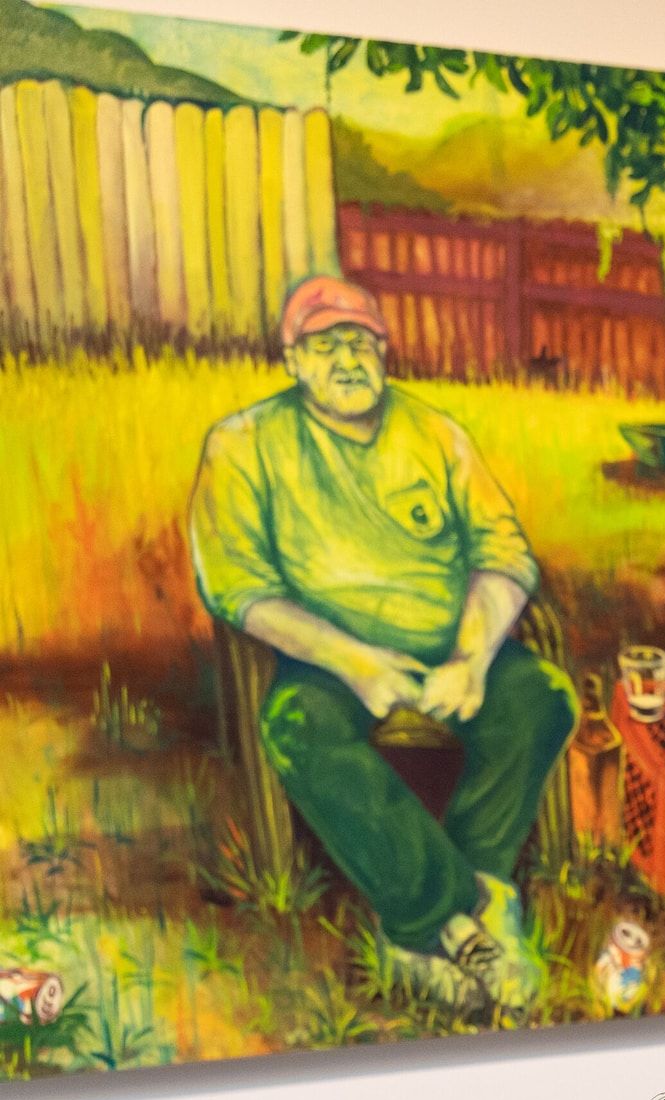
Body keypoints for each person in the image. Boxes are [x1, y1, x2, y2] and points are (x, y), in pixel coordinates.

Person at [189, 275, 573, 1016]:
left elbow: (504, 554)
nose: (347, 358)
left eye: (360, 341)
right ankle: (452, 912)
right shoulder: (241, 445)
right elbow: (239, 589)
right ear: (293, 359)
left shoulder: (435, 433)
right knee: (298, 728)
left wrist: (473, 656)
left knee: (543, 701)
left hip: (451, 651)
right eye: (325, 344)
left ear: (384, 351)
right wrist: (356, 662)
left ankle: (446, 918)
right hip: (329, 663)